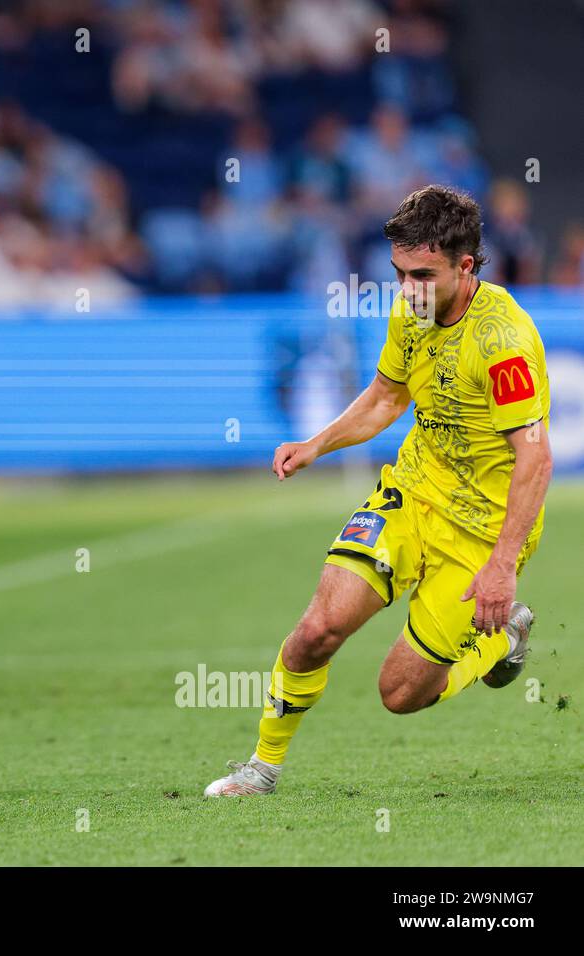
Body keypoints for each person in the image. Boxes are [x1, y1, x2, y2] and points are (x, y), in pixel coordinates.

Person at [206, 185, 553, 796]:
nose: (405, 288)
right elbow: (388, 397)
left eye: (421, 274)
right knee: (317, 630)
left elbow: (536, 455)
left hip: (480, 532)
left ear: (465, 266)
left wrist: (501, 565)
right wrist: (316, 444)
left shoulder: (504, 342)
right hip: (412, 495)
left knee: (400, 694)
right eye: (397, 273)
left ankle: (502, 637)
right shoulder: (413, 308)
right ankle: (260, 768)